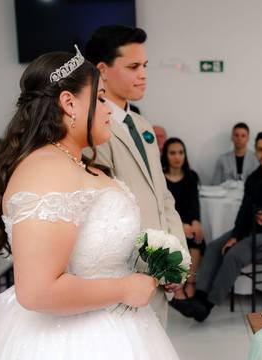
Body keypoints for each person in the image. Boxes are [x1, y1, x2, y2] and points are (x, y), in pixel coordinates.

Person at [0, 48, 210, 360]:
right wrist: (124, 287)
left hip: (119, 335)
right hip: (71, 351)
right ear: (69, 103)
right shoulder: (47, 170)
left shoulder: (73, 163)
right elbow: (36, 290)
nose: (108, 109)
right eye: (100, 98)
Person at [85, 25, 187, 326]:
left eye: (144, 66)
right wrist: (155, 264)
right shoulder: (93, 130)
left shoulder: (142, 125)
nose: (143, 74)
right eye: (133, 67)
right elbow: (107, 213)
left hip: (159, 270)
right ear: (102, 71)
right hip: (127, 276)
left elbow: (162, 197)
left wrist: (175, 259)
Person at [189, 131, 262, 321]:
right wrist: (236, 235)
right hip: (252, 230)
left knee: (234, 254)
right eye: (260, 149)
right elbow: (244, 210)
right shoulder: (254, 177)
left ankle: (207, 305)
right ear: (255, 151)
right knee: (214, 247)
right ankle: (199, 297)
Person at [161, 137, 208, 318]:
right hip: (168, 223)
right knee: (177, 239)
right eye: (172, 153)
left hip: (188, 223)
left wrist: (196, 223)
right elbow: (162, 208)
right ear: (166, 155)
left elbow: (194, 203)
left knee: (197, 238)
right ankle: (178, 286)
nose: (177, 157)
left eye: (181, 153)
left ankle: (191, 282)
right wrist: (181, 226)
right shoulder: (160, 177)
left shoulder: (191, 176)